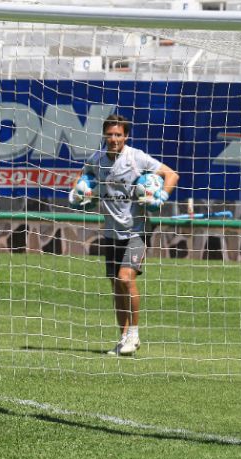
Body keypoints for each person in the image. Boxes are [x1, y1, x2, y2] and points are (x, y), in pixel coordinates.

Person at [69, 114, 179, 356]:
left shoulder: (136, 157)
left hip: (137, 231)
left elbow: (171, 175)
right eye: (109, 134)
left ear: (125, 136)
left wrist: (161, 196)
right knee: (116, 287)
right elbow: (82, 177)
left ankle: (135, 334)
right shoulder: (97, 160)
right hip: (111, 232)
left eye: (118, 134)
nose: (113, 139)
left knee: (126, 279)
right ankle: (123, 338)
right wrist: (78, 194)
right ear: (104, 136)